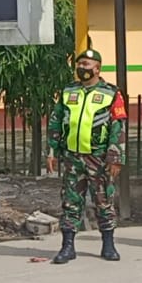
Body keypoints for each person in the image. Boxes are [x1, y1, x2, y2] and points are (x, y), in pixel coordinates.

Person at [46, 49, 127, 264]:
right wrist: (52, 150)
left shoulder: (111, 93)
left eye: (86, 64)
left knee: (103, 201)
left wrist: (115, 157)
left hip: (98, 158)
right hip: (72, 157)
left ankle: (108, 245)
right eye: (79, 64)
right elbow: (56, 121)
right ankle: (67, 247)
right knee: (70, 202)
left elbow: (118, 127)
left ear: (97, 68)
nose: (81, 67)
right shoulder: (68, 91)